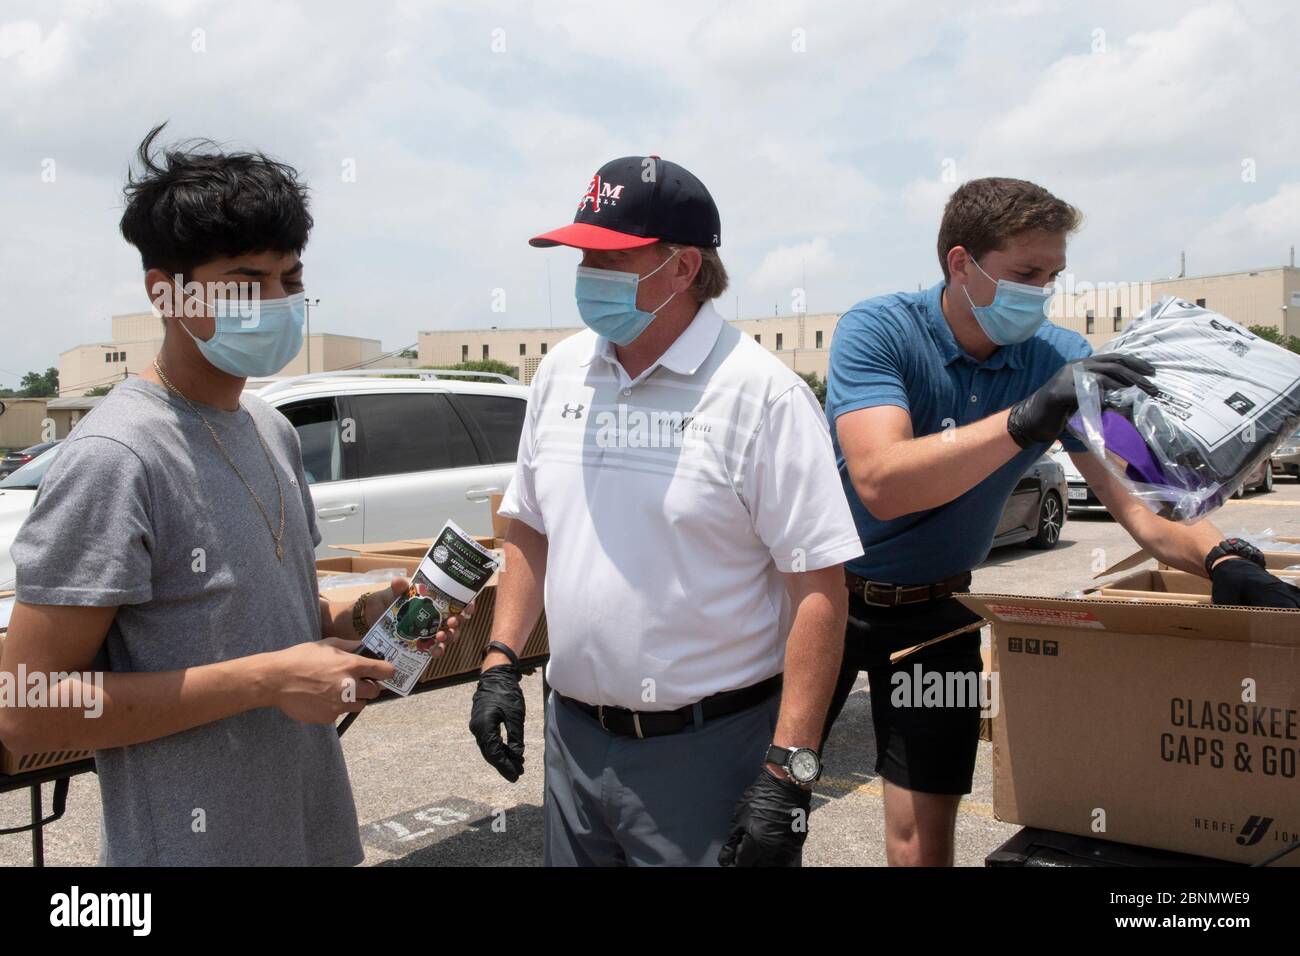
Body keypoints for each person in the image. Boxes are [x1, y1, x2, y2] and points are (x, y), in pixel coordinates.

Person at [0, 125, 464, 866]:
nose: (277, 302)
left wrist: (361, 614)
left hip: (312, 834)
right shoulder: (116, 456)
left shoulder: (269, 429)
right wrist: (269, 680)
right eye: (247, 281)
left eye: (291, 280)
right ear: (165, 290)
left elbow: (253, 614)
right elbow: (27, 708)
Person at [823, 176, 1300, 867]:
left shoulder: (1058, 359)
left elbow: (1144, 504)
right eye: (1026, 273)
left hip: (938, 614)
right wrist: (1024, 420)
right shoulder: (879, 329)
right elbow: (881, 482)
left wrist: (1225, 558)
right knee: (769, 804)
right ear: (962, 264)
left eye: (1053, 275)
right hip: (821, 600)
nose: (1042, 292)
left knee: (922, 834)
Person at [468, 156, 863, 866]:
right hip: (574, 745)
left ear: (683, 270)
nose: (587, 271)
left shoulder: (761, 396)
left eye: (609, 256)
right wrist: (500, 659)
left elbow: (819, 590)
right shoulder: (561, 373)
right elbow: (529, 523)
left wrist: (791, 770)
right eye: (583, 253)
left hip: (709, 753)